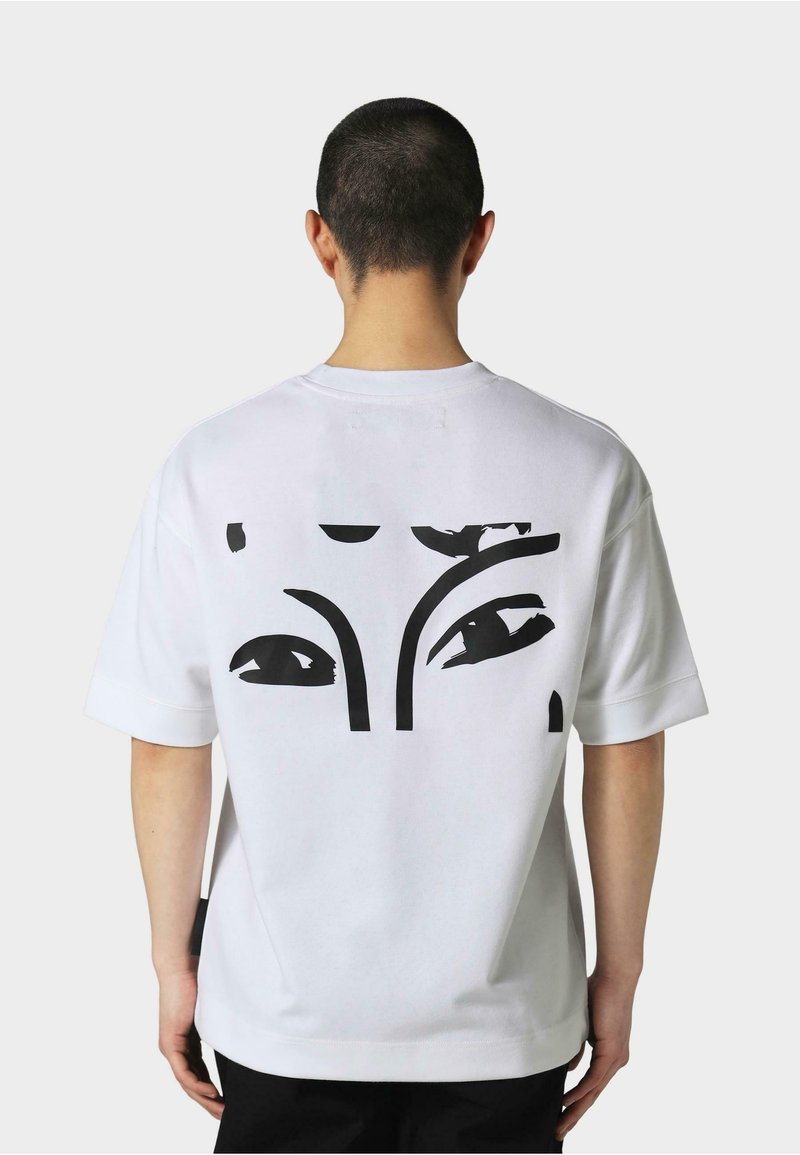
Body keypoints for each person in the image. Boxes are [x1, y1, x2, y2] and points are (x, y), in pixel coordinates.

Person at [84, 96, 709, 1154]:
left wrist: (171, 963)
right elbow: (626, 748)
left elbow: (167, 744)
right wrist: (619, 973)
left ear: (320, 238)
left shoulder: (212, 465)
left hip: (280, 1017)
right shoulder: (588, 467)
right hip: (504, 1022)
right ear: (479, 239)